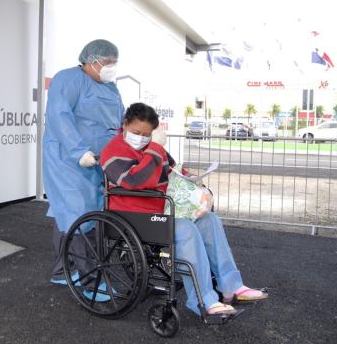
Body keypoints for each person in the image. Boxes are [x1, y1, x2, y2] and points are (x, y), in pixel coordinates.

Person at [100, 102, 268, 316]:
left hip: (163, 211)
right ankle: (204, 300)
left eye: (146, 134)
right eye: (136, 132)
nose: (141, 138)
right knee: (186, 230)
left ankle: (232, 287)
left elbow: (177, 172)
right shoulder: (112, 151)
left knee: (210, 220)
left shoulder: (154, 149)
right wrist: (153, 149)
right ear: (124, 125)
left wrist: (200, 187)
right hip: (133, 215)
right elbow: (134, 181)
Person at [43, 39, 124, 286]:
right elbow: (59, 116)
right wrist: (79, 152)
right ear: (91, 60)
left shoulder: (111, 87)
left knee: (73, 213)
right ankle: (89, 278)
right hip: (68, 159)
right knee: (77, 213)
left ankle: (61, 271)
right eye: (107, 62)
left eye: (114, 62)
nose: (111, 66)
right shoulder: (67, 79)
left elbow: (120, 118)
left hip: (99, 161)